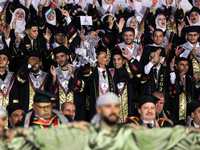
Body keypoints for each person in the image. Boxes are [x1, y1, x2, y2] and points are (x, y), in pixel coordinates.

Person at [4, 93, 200, 150]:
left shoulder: (167, 125)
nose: (149, 112)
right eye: (145, 108)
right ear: (139, 110)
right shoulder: (129, 125)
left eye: (152, 108)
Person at [50, 46, 86, 120]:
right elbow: (51, 92)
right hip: (59, 111)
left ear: (67, 57)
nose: (60, 59)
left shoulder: (77, 70)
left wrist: (72, 76)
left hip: (75, 108)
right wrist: (54, 77)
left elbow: (82, 88)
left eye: (62, 56)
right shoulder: (53, 72)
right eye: (57, 57)